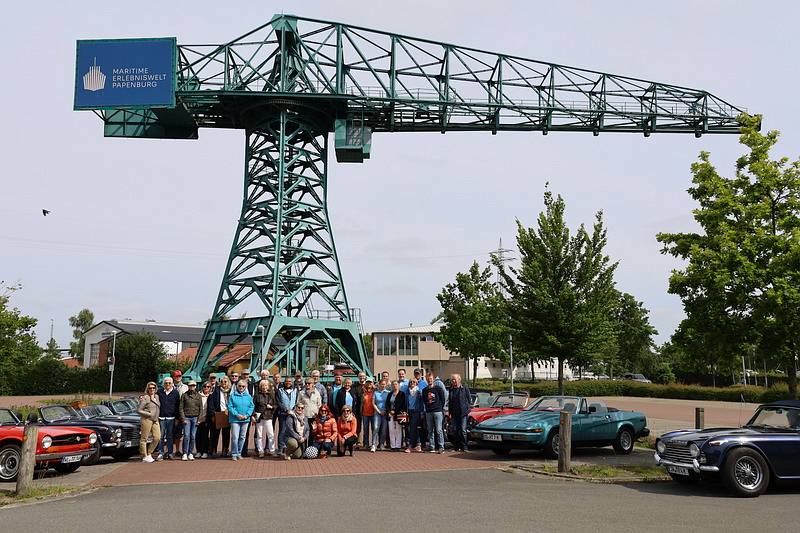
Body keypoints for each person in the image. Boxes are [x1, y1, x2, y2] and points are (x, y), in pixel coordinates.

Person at [228, 378, 254, 461]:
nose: (241, 387)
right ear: (237, 386)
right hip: (235, 419)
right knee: (235, 437)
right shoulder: (232, 396)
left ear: (245, 387)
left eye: (243, 386)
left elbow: (251, 406)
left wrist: (247, 415)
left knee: (242, 437)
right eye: (240, 386)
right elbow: (230, 407)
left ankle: (239, 453)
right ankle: (234, 453)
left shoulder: (248, 396)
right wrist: (237, 414)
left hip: (245, 420)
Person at [157, 376, 180, 460]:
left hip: (171, 418)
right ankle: (161, 453)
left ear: (172, 384)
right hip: (161, 417)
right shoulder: (159, 392)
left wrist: (177, 418)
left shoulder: (175, 393)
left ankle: (170, 453)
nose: (167, 384)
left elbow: (177, 406)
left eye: (169, 383)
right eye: (166, 383)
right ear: (163, 384)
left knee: (170, 436)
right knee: (161, 436)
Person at [178, 380, 202, 460]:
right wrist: (183, 418)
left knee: (193, 436)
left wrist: (199, 419)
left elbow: (201, 408)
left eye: (193, 385)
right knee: (186, 436)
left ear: (195, 386)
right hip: (187, 418)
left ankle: (190, 453)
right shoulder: (184, 395)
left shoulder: (198, 396)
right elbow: (181, 408)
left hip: (195, 418)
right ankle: (185, 453)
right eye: (190, 385)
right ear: (188, 386)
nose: (192, 387)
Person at [208, 376, 232, 457]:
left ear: (228, 382)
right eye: (222, 381)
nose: (223, 383)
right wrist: (212, 414)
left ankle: (225, 450)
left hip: (227, 414)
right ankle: (213, 450)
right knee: (215, 434)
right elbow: (211, 402)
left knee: (226, 434)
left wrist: (230, 410)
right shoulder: (215, 390)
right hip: (217, 414)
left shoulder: (231, 391)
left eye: (225, 381)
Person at [137, 382, 161, 463]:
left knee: (157, 437)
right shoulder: (145, 398)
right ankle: (144, 455)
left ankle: (149, 452)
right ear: (147, 389)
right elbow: (139, 410)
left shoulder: (157, 397)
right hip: (146, 419)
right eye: (150, 388)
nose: (152, 389)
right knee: (144, 438)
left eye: (153, 388)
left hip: (155, 419)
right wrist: (149, 414)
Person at [447, 373, 472, 452]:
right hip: (454, 413)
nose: (453, 381)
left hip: (463, 413)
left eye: (454, 379)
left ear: (459, 380)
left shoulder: (464, 388)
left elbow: (469, 399)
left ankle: (464, 447)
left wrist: (468, 409)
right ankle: (456, 447)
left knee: (463, 430)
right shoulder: (451, 389)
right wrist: (449, 413)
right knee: (455, 430)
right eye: (452, 380)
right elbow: (450, 402)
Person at [253, 378, 277, 457]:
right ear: (260, 386)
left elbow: (275, 405)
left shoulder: (271, 395)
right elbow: (253, 406)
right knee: (259, 435)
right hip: (259, 417)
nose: (264, 387)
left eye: (266, 385)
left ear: (268, 386)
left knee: (271, 434)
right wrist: (253, 415)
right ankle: (260, 451)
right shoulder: (257, 395)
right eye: (263, 385)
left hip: (268, 416)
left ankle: (272, 450)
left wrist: (271, 407)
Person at [422, 373, 445, 453]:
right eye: (428, 379)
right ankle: (432, 446)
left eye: (431, 379)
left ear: (433, 379)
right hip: (429, 412)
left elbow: (443, 399)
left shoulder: (438, 389)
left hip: (437, 411)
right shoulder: (424, 390)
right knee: (430, 430)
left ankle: (441, 446)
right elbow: (424, 400)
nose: (429, 380)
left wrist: (440, 408)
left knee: (439, 430)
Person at [277, 377, 298, 452]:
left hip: (292, 414)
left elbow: (296, 401)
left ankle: (291, 449)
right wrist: (286, 410)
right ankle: (281, 448)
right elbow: (278, 401)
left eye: (289, 381)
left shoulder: (295, 390)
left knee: (292, 430)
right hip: (283, 414)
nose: (288, 383)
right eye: (286, 381)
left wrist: (293, 410)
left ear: (292, 382)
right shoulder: (280, 390)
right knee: (282, 430)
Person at [386, 380, 408, 451]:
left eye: (396, 384)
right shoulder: (390, 394)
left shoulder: (402, 394)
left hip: (399, 414)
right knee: (391, 430)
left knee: (398, 430)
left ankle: (398, 446)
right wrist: (389, 411)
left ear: (398, 386)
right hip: (390, 414)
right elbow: (387, 404)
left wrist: (395, 411)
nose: (394, 386)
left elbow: (403, 405)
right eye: (393, 384)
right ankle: (393, 446)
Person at [405, 377, 423, 453]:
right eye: (411, 382)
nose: (412, 383)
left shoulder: (419, 391)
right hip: (409, 411)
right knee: (413, 428)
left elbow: (422, 403)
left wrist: (421, 412)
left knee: (412, 428)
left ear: (416, 383)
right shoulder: (407, 391)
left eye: (414, 382)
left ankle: (411, 446)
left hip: (416, 411)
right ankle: (418, 445)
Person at [239, 370, 254, 457]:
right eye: (244, 374)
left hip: (248, 412)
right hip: (238, 413)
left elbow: (253, 398)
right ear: (241, 375)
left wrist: (252, 413)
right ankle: (237, 450)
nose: (245, 376)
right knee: (237, 433)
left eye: (247, 374)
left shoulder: (251, 385)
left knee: (246, 432)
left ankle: (244, 450)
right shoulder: (238, 385)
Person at [371, 378, 389, 452]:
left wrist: (385, 411)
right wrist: (378, 411)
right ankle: (373, 444)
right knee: (376, 428)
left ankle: (381, 444)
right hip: (377, 412)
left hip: (385, 413)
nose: (383, 386)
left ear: (386, 385)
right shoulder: (375, 393)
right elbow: (373, 403)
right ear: (379, 385)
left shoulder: (388, 393)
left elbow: (389, 403)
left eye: (384, 384)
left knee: (384, 429)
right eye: (381, 384)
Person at [196, 381, 212, 458]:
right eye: (205, 386)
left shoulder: (211, 396)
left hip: (206, 419)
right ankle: (198, 451)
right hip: (198, 419)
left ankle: (205, 451)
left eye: (208, 387)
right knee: (197, 436)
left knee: (205, 436)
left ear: (210, 388)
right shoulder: (198, 395)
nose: (206, 388)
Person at [351, 372, 367, 446]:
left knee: (366, 426)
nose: (362, 377)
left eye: (363, 376)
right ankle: (358, 441)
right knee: (358, 426)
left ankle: (366, 442)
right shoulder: (354, 386)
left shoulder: (369, 385)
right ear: (358, 377)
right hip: (358, 408)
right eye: (360, 376)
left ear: (365, 377)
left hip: (367, 408)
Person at [360, 379, 375, 450]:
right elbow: (361, 403)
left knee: (374, 429)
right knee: (365, 430)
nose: (369, 385)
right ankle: (366, 444)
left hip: (373, 413)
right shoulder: (363, 393)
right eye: (368, 383)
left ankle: (373, 444)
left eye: (370, 383)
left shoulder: (374, 392)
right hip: (365, 413)